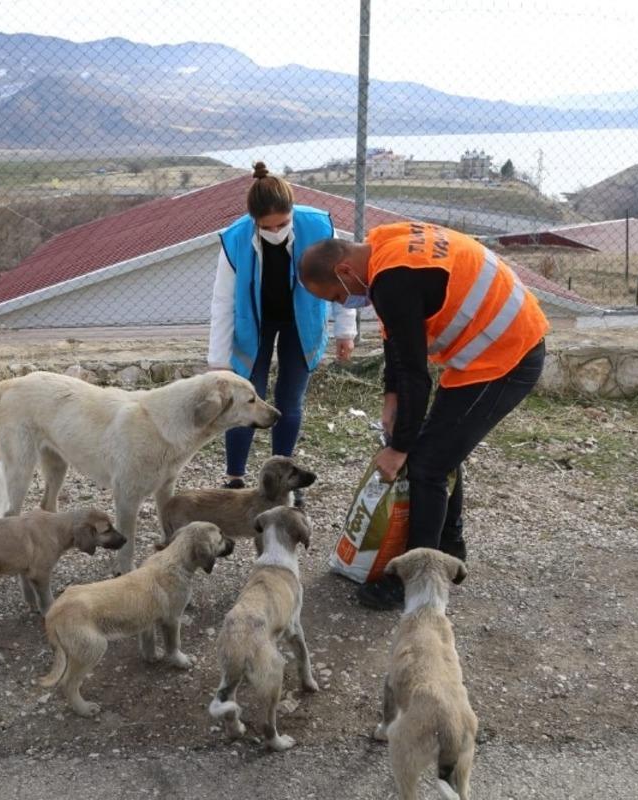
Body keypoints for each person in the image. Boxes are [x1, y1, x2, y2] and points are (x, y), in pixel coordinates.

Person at [298, 221, 548, 609]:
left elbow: (417, 375)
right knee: (439, 445)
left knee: (428, 462)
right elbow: (398, 343)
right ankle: (449, 546)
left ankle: (417, 577)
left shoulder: (392, 280)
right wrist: (390, 396)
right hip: (490, 346)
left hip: (507, 354)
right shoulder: (381, 245)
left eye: (335, 295)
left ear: (344, 271)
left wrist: (398, 448)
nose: (340, 303)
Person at [208, 163, 355, 505]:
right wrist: (218, 361)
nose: (275, 231)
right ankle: (235, 480)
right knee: (244, 398)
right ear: (254, 221)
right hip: (253, 326)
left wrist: (345, 330)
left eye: (283, 224)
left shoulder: (318, 225)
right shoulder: (235, 240)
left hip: (300, 323)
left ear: (293, 212)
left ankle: (284, 483)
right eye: (267, 227)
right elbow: (222, 301)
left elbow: (342, 279)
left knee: (290, 400)